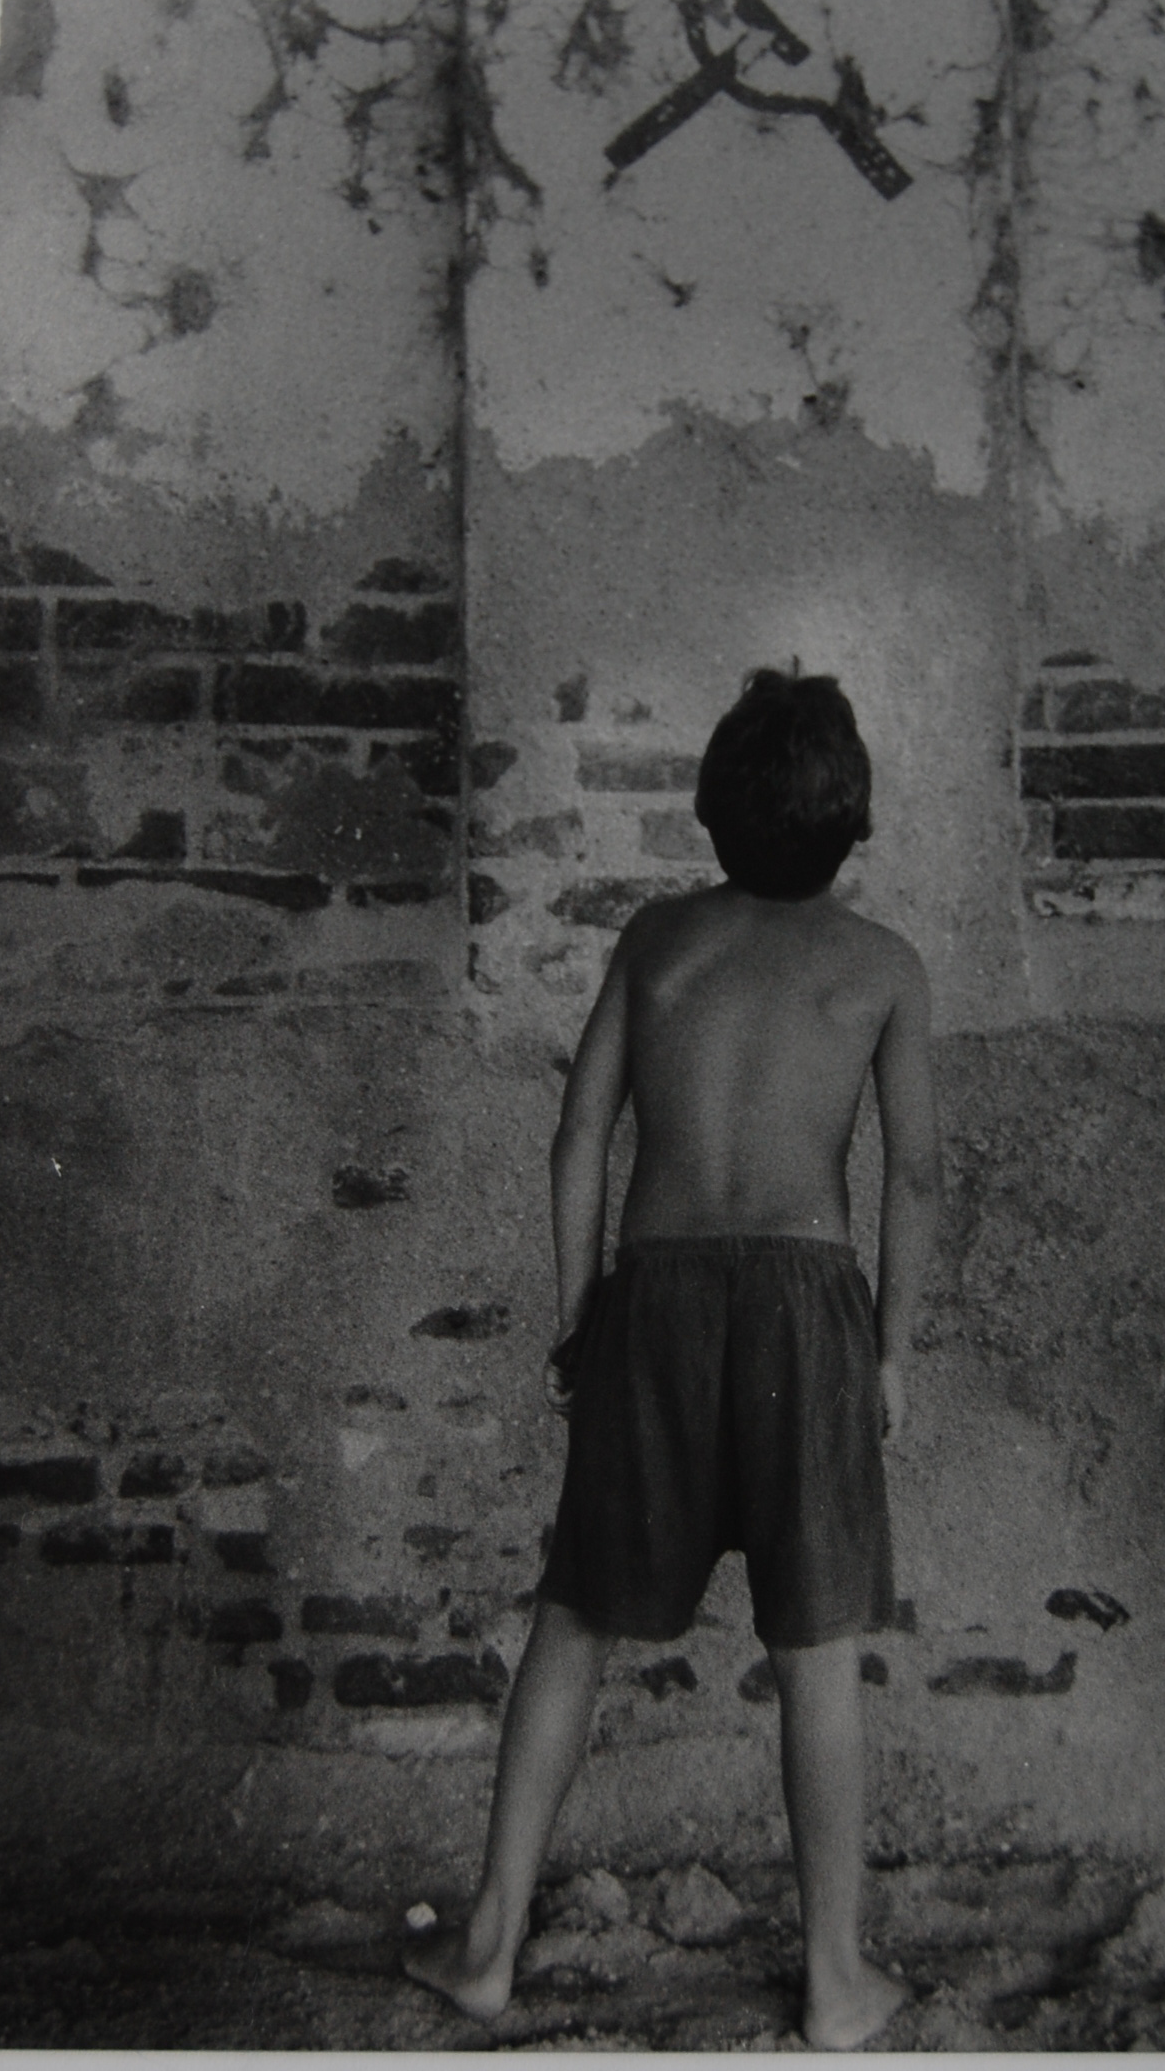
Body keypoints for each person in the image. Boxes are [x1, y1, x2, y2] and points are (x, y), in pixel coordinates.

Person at [404, 668, 939, 2048]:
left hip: (657, 1298)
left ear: (707, 812)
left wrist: (578, 1310)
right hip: (809, 1304)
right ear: (857, 826)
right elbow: (915, 1180)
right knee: (815, 1649)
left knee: (575, 1616)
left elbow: (578, 1137)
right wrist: (891, 1350)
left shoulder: (656, 940)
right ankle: (836, 1982)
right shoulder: (884, 966)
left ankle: (486, 1946)